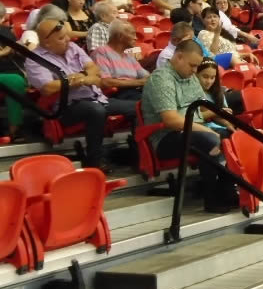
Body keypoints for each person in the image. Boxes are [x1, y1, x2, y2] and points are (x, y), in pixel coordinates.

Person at [25, 19, 136, 172]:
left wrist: (80, 77)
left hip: (97, 98)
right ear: (47, 43)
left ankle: (136, 155)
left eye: (66, 35)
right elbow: (48, 88)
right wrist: (78, 80)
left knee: (138, 107)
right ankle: (94, 162)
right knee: (95, 111)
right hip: (67, 107)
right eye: (61, 38)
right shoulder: (35, 59)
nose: (67, 40)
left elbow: (94, 68)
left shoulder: (73, 47)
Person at [142, 39, 238, 213]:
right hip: (166, 137)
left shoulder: (190, 78)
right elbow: (171, 120)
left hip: (192, 130)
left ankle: (227, 190)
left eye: (196, 66)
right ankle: (211, 198)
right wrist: (208, 130)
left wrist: (225, 122)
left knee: (234, 138)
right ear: (179, 57)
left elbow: (204, 109)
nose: (195, 70)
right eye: (192, 65)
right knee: (207, 139)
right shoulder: (161, 79)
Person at [92, 20, 148, 101]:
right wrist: (139, 82)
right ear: (120, 36)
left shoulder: (129, 57)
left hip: (134, 91)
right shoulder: (101, 52)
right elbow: (105, 82)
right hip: (116, 95)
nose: (136, 38)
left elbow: (145, 76)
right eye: (133, 34)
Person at [0, 3, 25, 143]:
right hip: (7, 74)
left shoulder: (6, 31)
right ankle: (14, 129)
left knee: (15, 80)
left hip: (11, 70)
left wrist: (20, 49)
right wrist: (3, 52)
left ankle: (14, 129)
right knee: (14, 81)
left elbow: (16, 52)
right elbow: (6, 50)